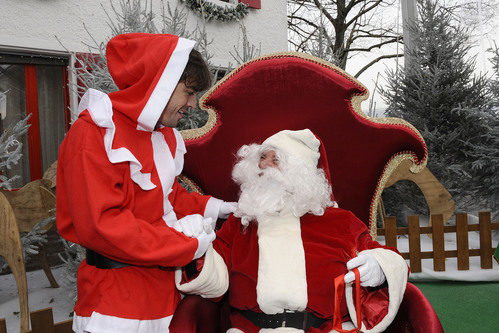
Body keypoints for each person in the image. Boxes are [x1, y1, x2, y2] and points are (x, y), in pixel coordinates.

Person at [56, 33, 237, 333]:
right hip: (117, 302)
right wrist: (187, 246)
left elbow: (168, 198)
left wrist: (218, 209)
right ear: (160, 83)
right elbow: (103, 225)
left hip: (166, 295)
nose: (193, 104)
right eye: (189, 91)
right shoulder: (97, 131)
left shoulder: (162, 135)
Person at [176, 129, 408, 332]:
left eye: (275, 159)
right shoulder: (241, 223)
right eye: (261, 157)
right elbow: (216, 282)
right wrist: (198, 250)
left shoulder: (341, 222)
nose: (263, 165)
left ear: (300, 173)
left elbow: (388, 258)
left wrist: (379, 268)